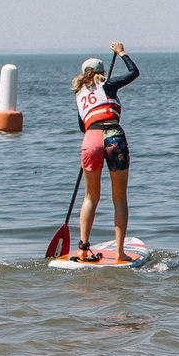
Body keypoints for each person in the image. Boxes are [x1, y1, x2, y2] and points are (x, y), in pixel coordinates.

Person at [73, 43, 139, 260]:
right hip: (114, 137)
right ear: (102, 73)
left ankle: (83, 248)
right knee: (119, 198)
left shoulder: (80, 95)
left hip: (91, 139)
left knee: (90, 197)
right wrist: (121, 52)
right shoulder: (109, 85)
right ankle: (120, 252)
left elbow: (82, 126)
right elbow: (134, 72)